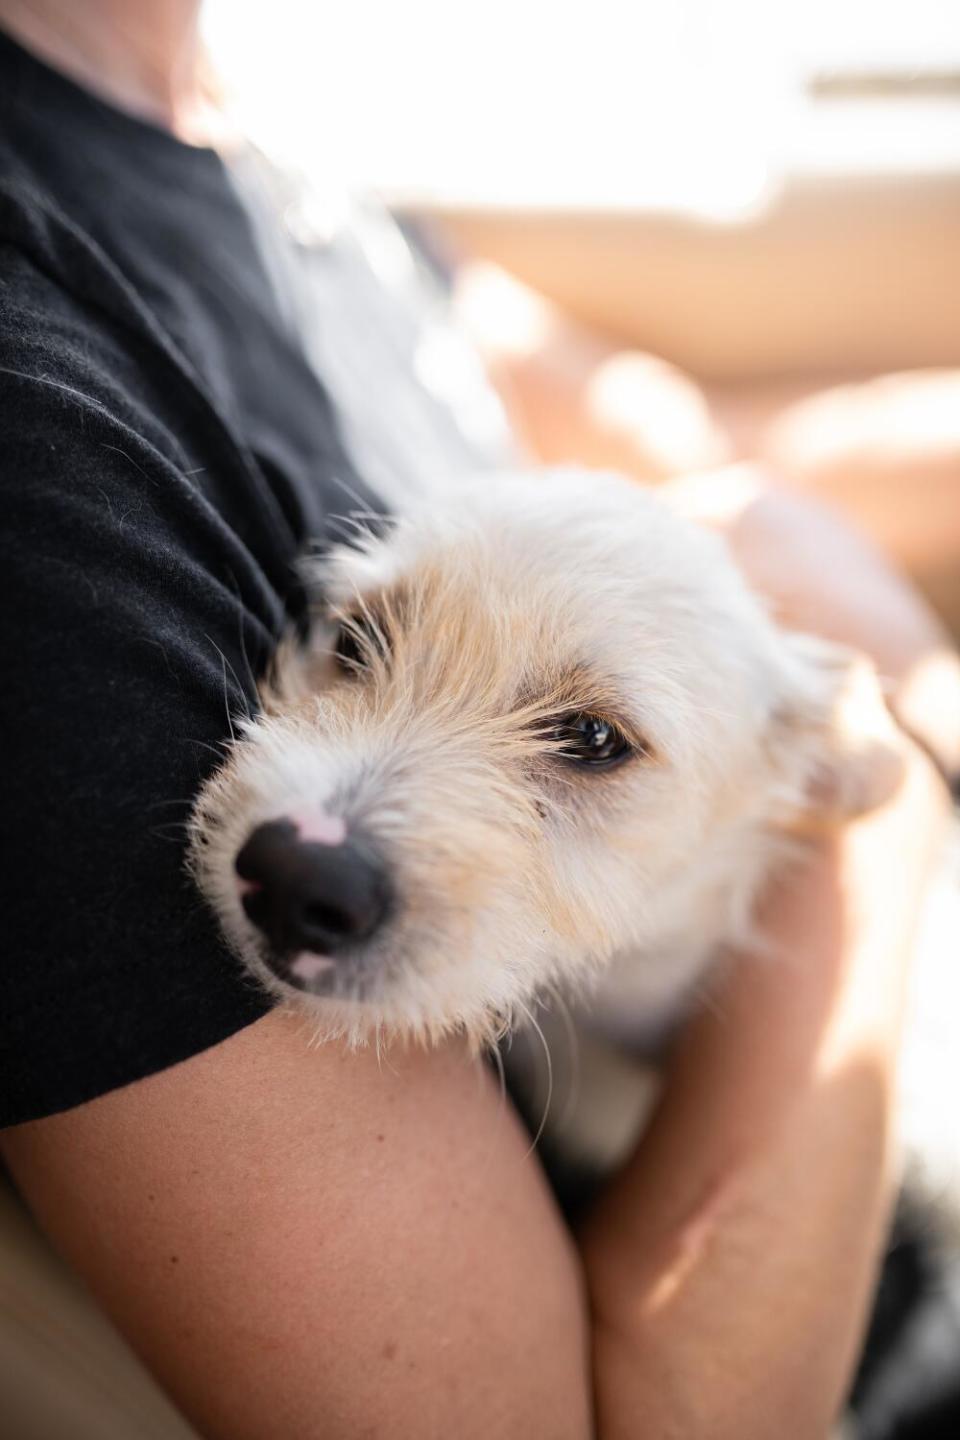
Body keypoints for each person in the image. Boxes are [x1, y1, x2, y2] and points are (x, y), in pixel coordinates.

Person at [1, 3, 958, 1437]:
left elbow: (690, 459)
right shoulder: (47, 394)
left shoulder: (283, 157)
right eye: (362, 639)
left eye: (579, 741)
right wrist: (898, 762)